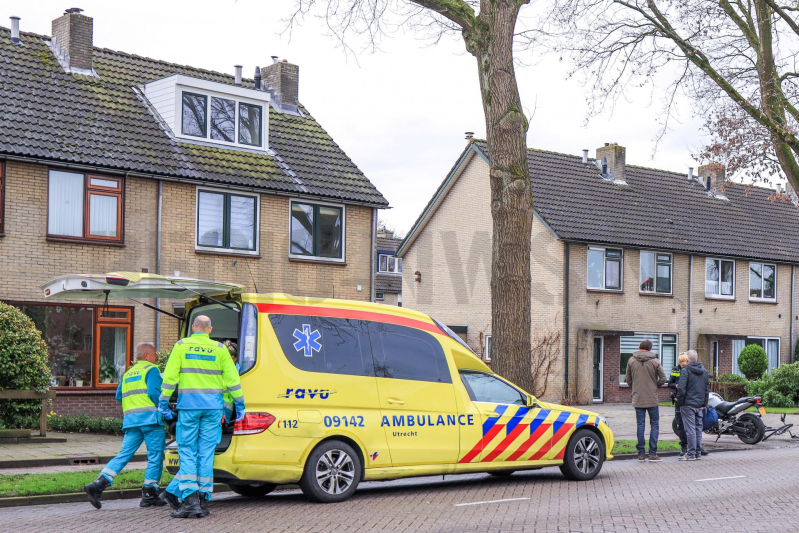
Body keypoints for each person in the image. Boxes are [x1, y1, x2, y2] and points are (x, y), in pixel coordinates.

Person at [158, 315, 245, 519]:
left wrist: (163, 402)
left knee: (187, 451)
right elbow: (233, 381)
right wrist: (240, 405)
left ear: (194, 328)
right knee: (206, 454)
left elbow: (170, 378)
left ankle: (190, 502)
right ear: (210, 329)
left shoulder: (181, 346)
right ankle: (204, 501)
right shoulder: (220, 349)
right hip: (213, 409)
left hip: (189, 407)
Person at [84, 342, 166, 509]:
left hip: (131, 421)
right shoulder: (152, 370)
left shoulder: (128, 373)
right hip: (150, 419)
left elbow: (119, 395)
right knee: (155, 456)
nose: (156, 357)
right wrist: (164, 408)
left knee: (124, 454)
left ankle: (98, 484)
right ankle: (149, 494)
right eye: (154, 354)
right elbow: (153, 392)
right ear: (146, 356)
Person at [625, 339, 667, 462]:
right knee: (654, 424)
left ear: (640, 347)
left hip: (638, 397)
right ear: (650, 348)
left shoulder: (631, 360)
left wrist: (634, 387)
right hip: (652, 398)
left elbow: (628, 379)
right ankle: (653, 454)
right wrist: (655, 385)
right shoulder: (655, 361)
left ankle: (641, 454)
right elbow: (663, 378)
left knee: (640, 425)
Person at [677, 350, 709, 461]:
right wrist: (704, 403)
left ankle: (690, 454)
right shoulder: (704, 371)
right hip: (699, 405)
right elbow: (706, 389)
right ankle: (698, 453)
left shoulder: (685, 370)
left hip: (688, 404)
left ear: (687, 360)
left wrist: (680, 402)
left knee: (690, 429)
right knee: (698, 429)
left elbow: (681, 389)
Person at [668, 353, 689, 455]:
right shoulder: (676, 370)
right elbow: (669, 383)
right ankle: (684, 446)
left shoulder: (690, 370)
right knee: (680, 423)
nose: (682, 365)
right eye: (680, 363)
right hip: (678, 399)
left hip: (689, 399)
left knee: (692, 423)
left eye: (683, 363)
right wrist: (675, 385)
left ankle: (696, 446)